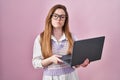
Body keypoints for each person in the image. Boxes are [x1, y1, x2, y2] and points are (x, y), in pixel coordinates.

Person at [32, 4, 89, 80]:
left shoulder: (72, 37)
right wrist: (51, 59)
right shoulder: (40, 38)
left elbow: (75, 63)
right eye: (55, 16)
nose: (59, 19)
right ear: (50, 17)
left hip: (71, 77)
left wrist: (81, 63)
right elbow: (35, 63)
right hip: (51, 78)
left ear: (65, 20)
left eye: (62, 17)